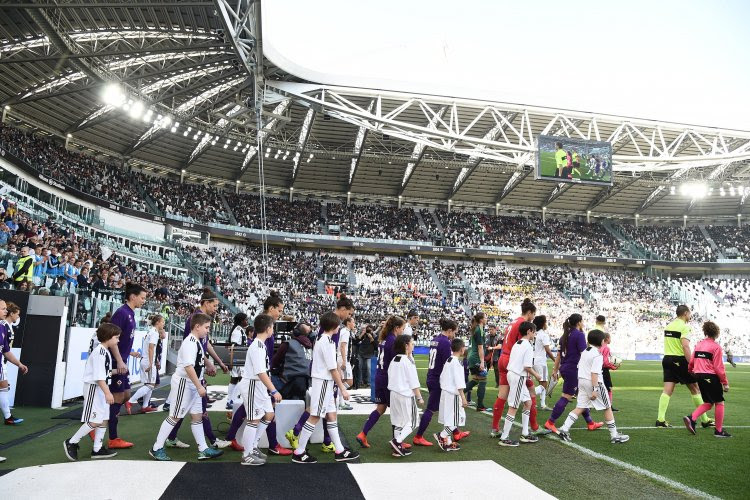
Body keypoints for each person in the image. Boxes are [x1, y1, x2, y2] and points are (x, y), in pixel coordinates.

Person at [149, 313, 223, 461]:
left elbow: (195, 365)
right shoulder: (190, 342)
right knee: (175, 416)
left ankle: (203, 449)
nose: (208, 331)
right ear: (197, 326)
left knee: (197, 417)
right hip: (185, 383)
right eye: (206, 327)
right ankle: (156, 448)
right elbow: (188, 367)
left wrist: (201, 380)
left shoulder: (196, 341)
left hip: (192, 384)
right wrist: (199, 385)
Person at [227, 292, 291, 455]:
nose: (280, 314)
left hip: (262, 376)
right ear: (271, 308)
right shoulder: (262, 331)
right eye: (279, 310)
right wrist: (271, 385)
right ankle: (261, 447)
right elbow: (261, 358)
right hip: (258, 379)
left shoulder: (264, 327)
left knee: (263, 412)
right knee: (254, 415)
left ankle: (243, 441)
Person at [165, 289, 230, 450]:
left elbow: (205, 344)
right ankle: (211, 442)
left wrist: (218, 361)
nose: (216, 309)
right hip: (190, 376)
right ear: (206, 303)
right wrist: (207, 363)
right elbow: (195, 347)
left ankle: (171, 438)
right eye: (214, 305)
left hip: (195, 373)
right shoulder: (194, 320)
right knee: (195, 411)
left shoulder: (203, 319)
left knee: (189, 410)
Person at [291, 311, 359, 464]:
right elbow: (332, 368)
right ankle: (299, 451)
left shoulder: (324, 340)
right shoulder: (326, 342)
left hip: (324, 383)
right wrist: (342, 388)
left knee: (331, 415)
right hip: (322, 382)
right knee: (315, 416)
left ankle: (340, 450)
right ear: (334, 326)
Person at [556, 329, 629, 444]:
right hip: (594, 383)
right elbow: (594, 373)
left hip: (582, 381)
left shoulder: (585, 351)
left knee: (580, 406)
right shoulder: (597, 355)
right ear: (601, 341)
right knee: (607, 407)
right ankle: (614, 435)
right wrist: (595, 389)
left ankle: (564, 429)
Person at [63, 322, 121, 461]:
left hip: (101, 389)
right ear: (108, 337)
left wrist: (116, 371)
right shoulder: (100, 352)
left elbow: (103, 373)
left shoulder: (104, 351)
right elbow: (99, 377)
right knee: (95, 420)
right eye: (116, 337)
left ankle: (97, 449)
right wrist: (107, 393)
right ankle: (72, 442)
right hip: (95, 389)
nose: (118, 340)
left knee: (104, 419)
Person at [544, 314, 603, 434]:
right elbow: (584, 353)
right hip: (573, 370)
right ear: (579, 322)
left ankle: (590, 423)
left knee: (583, 396)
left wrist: (555, 370)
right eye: (582, 321)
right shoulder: (579, 335)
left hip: (565, 368)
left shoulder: (563, 336)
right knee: (566, 396)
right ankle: (550, 422)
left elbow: (559, 355)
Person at [656, 305, 713, 428]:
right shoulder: (685, 327)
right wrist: (691, 363)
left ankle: (660, 419)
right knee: (695, 388)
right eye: (690, 314)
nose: (690, 316)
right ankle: (705, 420)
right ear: (685, 313)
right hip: (679, 360)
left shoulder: (668, 326)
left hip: (667, 359)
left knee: (667, 391)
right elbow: (685, 346)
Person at [106, 282, 147, 449]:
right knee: (117, 398)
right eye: (142, 298)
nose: (144, 301)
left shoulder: (130, 313)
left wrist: (127, 355)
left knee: (126, 395)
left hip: (122, 360)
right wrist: (120, 360)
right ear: (133, 297)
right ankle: (112, 437)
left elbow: (121, 341)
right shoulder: (122, 313)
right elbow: (111, 339)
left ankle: (98, 421)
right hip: (117, 362)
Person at [414, 317, 465, 446]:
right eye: (454, 332)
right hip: (438, 379)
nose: (454, 335)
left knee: (445, 408)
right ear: (449, 330)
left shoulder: (435, 339)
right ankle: (419, 436)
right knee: (432, 409)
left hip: (431, 375)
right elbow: (448, 363)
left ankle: (456, 432)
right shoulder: (446, 343)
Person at [238, 314, 282, 466]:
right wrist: (274, 390)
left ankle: (253, 446)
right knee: (253, 420)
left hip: (259, 386)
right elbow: (260, 372)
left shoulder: (260, 345)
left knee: (269, 414)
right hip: (253, 385)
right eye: (273, 328)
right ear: (268, 328)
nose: (273, 331)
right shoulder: (257, 346)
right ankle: (247, 454)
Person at [357, 315, 406, 448]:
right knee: (397, 411)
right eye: (402, 328)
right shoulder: (393, 341)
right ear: (396, 328)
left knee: (381, 408)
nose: (403, 331)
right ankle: (397, 441)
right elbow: (397, 363)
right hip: (389, 379)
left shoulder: (384, 339)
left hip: (380, 376)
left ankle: (363, 434)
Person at [491, 298, 539, 437]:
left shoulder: (512, 322)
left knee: (502, 395)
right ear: (529, 313)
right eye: (533, 314)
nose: (534, 317)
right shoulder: (523, 325)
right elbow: (521, 345)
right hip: (512, 362)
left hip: (503, 358)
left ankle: (495, 428)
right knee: (530, 390)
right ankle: (533, 426)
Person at [684, 321, 731, 438]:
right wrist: (725, 383)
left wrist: (691, 371)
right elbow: (718, 367)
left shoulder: (699, 345)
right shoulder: (716, 347)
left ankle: (692, 418)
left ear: (705, 332)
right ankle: (718, 431)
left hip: (699, 375)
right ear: (717, 333)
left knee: (709, 403)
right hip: (710, 376)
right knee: (719, 402)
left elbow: (692, 362)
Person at [498, 321, 540, 447]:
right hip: (518, 376)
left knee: (528, 403)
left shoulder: (518, 343)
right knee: (513, 406)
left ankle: (525, 433)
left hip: (514, 374)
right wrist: (537, 375)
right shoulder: (527, 345)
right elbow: (527, 366)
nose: (534, 333)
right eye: (533, 331)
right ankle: (504, 437)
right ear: (529, 331)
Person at [388, 334, 423, 457]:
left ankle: (396, 447)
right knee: (413, 422)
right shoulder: (406, 361)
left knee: (398, 422)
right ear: (406, 345)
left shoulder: (394, 359)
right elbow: (413, 381)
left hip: (394, 394)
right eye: (411, 343)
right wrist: (419, 397)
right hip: (405, 395)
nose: (413, 345)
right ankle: (397, 442)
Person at [435, 338, 468, 452]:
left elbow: (442, 377)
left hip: (445, 392)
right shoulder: (457, 362)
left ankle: (448, 442)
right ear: (462, 349)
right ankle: (442, 435)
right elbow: (459, 381)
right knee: (457, 418)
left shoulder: (449, 360)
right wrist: (463, 397)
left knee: (449, 418)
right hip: (452, 394)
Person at [126, 315, 163, 414]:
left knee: (149, 384)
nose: (163, 324)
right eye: (162, 322)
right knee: (150, 385)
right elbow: (151, 348)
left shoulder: (151, 331)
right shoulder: (154, 333)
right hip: (147, 361)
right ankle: (130, 401)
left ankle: (145, 406)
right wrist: (151, 363)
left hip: (145, 359)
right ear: (158, 322)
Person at [0, 300, 27, 425]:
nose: (6, 311)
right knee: (4, 388)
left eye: (6, 308)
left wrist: (19, 364)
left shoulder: (2, 327)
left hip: (2, 363)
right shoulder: (4, 325)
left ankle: (8, 417)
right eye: (3, 309)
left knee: (4, 387)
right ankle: (8, 417)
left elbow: (6, 350)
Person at [275, 322, 313, 401]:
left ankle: (271, 406)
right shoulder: (310, 347)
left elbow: (274, 363)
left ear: (295, 332)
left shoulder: (288, 344)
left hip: (290, 382)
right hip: (307, 383)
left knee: (268, 376)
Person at [464, 312, 487, 411]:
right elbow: (480, 347)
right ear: (481, 320)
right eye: (485, 317)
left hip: (472, 357)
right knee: (483, 379)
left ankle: (457, 393)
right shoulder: (479, 330)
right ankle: (480, 405)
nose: (486, 319)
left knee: (476, 379)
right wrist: (482, 361)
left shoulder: (477, 329)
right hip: (476, 358)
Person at [227, 313, 249, 410]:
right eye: (246, 320)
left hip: (239, 359)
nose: (247, 321)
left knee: (235, 379)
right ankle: (232, 400)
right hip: (237, 359)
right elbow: (232, 346)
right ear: (241, 320)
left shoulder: (240, 330)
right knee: (242, 380)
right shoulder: (237, 331)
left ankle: (229, 400)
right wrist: (231, 362)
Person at [532, 315, 555, 411]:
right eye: (545, 322)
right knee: (544, 384)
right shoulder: (543, 335)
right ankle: (527, 395)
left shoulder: (534, 334)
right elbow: (547, 350)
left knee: (541, 382)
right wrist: (555, 360)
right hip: (541, 361)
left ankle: (542, 404)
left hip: (532, 360)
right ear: (543, 324)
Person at [338, 316, 355, 411]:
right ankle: (336, 394)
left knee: (343, 381)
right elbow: (342, 347)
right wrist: (344, 361)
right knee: (349, 381)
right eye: (353, 322)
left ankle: (341, 402)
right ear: (348, 323)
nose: (354, 324)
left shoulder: (345, 331)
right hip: (343, 359)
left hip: (343, 358)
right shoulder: (345, 332)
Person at [601, 332, 620, 412]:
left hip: (597, 370)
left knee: (598, 388)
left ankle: (589, 406)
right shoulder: (606, 348)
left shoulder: (600, 347)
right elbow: (605, 362)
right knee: (609, 388)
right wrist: (613, 367)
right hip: (604, 370)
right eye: (610, 338)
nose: (610, 339)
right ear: (607, 339)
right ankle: (609, 406)